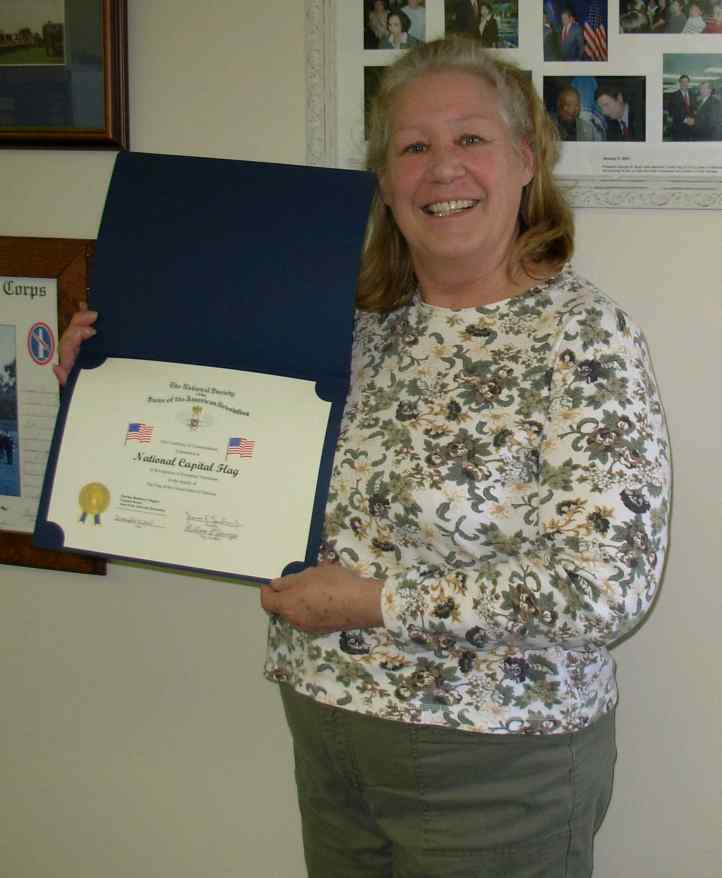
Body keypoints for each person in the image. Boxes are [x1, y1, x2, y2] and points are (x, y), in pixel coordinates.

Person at [58, 37, 671, 878]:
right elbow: (226, 459)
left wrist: (379, 602)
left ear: (526, 159)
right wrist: (98, 394)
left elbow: (606, 591)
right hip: (329, 734)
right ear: (383, 182)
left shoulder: (585, 339)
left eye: (470, 140)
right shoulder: (352, 329)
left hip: (494, 767)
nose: (441, 170)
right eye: (413, 148)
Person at [668, 74, 696, 141]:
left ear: (688, 83)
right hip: (679, 128)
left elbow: (694, 109)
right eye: (682, 82)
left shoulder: (693, 95)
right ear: (679, 83)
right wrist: (686, 120)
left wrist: (694, 119)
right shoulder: (674, 95)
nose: (684, 84)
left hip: (691, 128)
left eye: (686, 82)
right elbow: (672, 111)